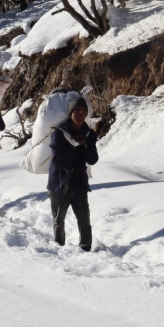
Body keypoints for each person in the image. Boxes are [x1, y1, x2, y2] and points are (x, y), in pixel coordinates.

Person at [48, 97, 98, 251]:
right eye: (77, 111)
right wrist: (74, 145)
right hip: (60, 184)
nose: (80, 114)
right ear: (71, 113)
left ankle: (86, 248)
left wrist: (87, 144)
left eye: (83, 112)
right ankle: (59, 248)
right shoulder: (59, 134)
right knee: (58, 220)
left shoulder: (88, 133)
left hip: (79, 183)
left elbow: (93, 159)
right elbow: (57, 161)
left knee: (84, 220)